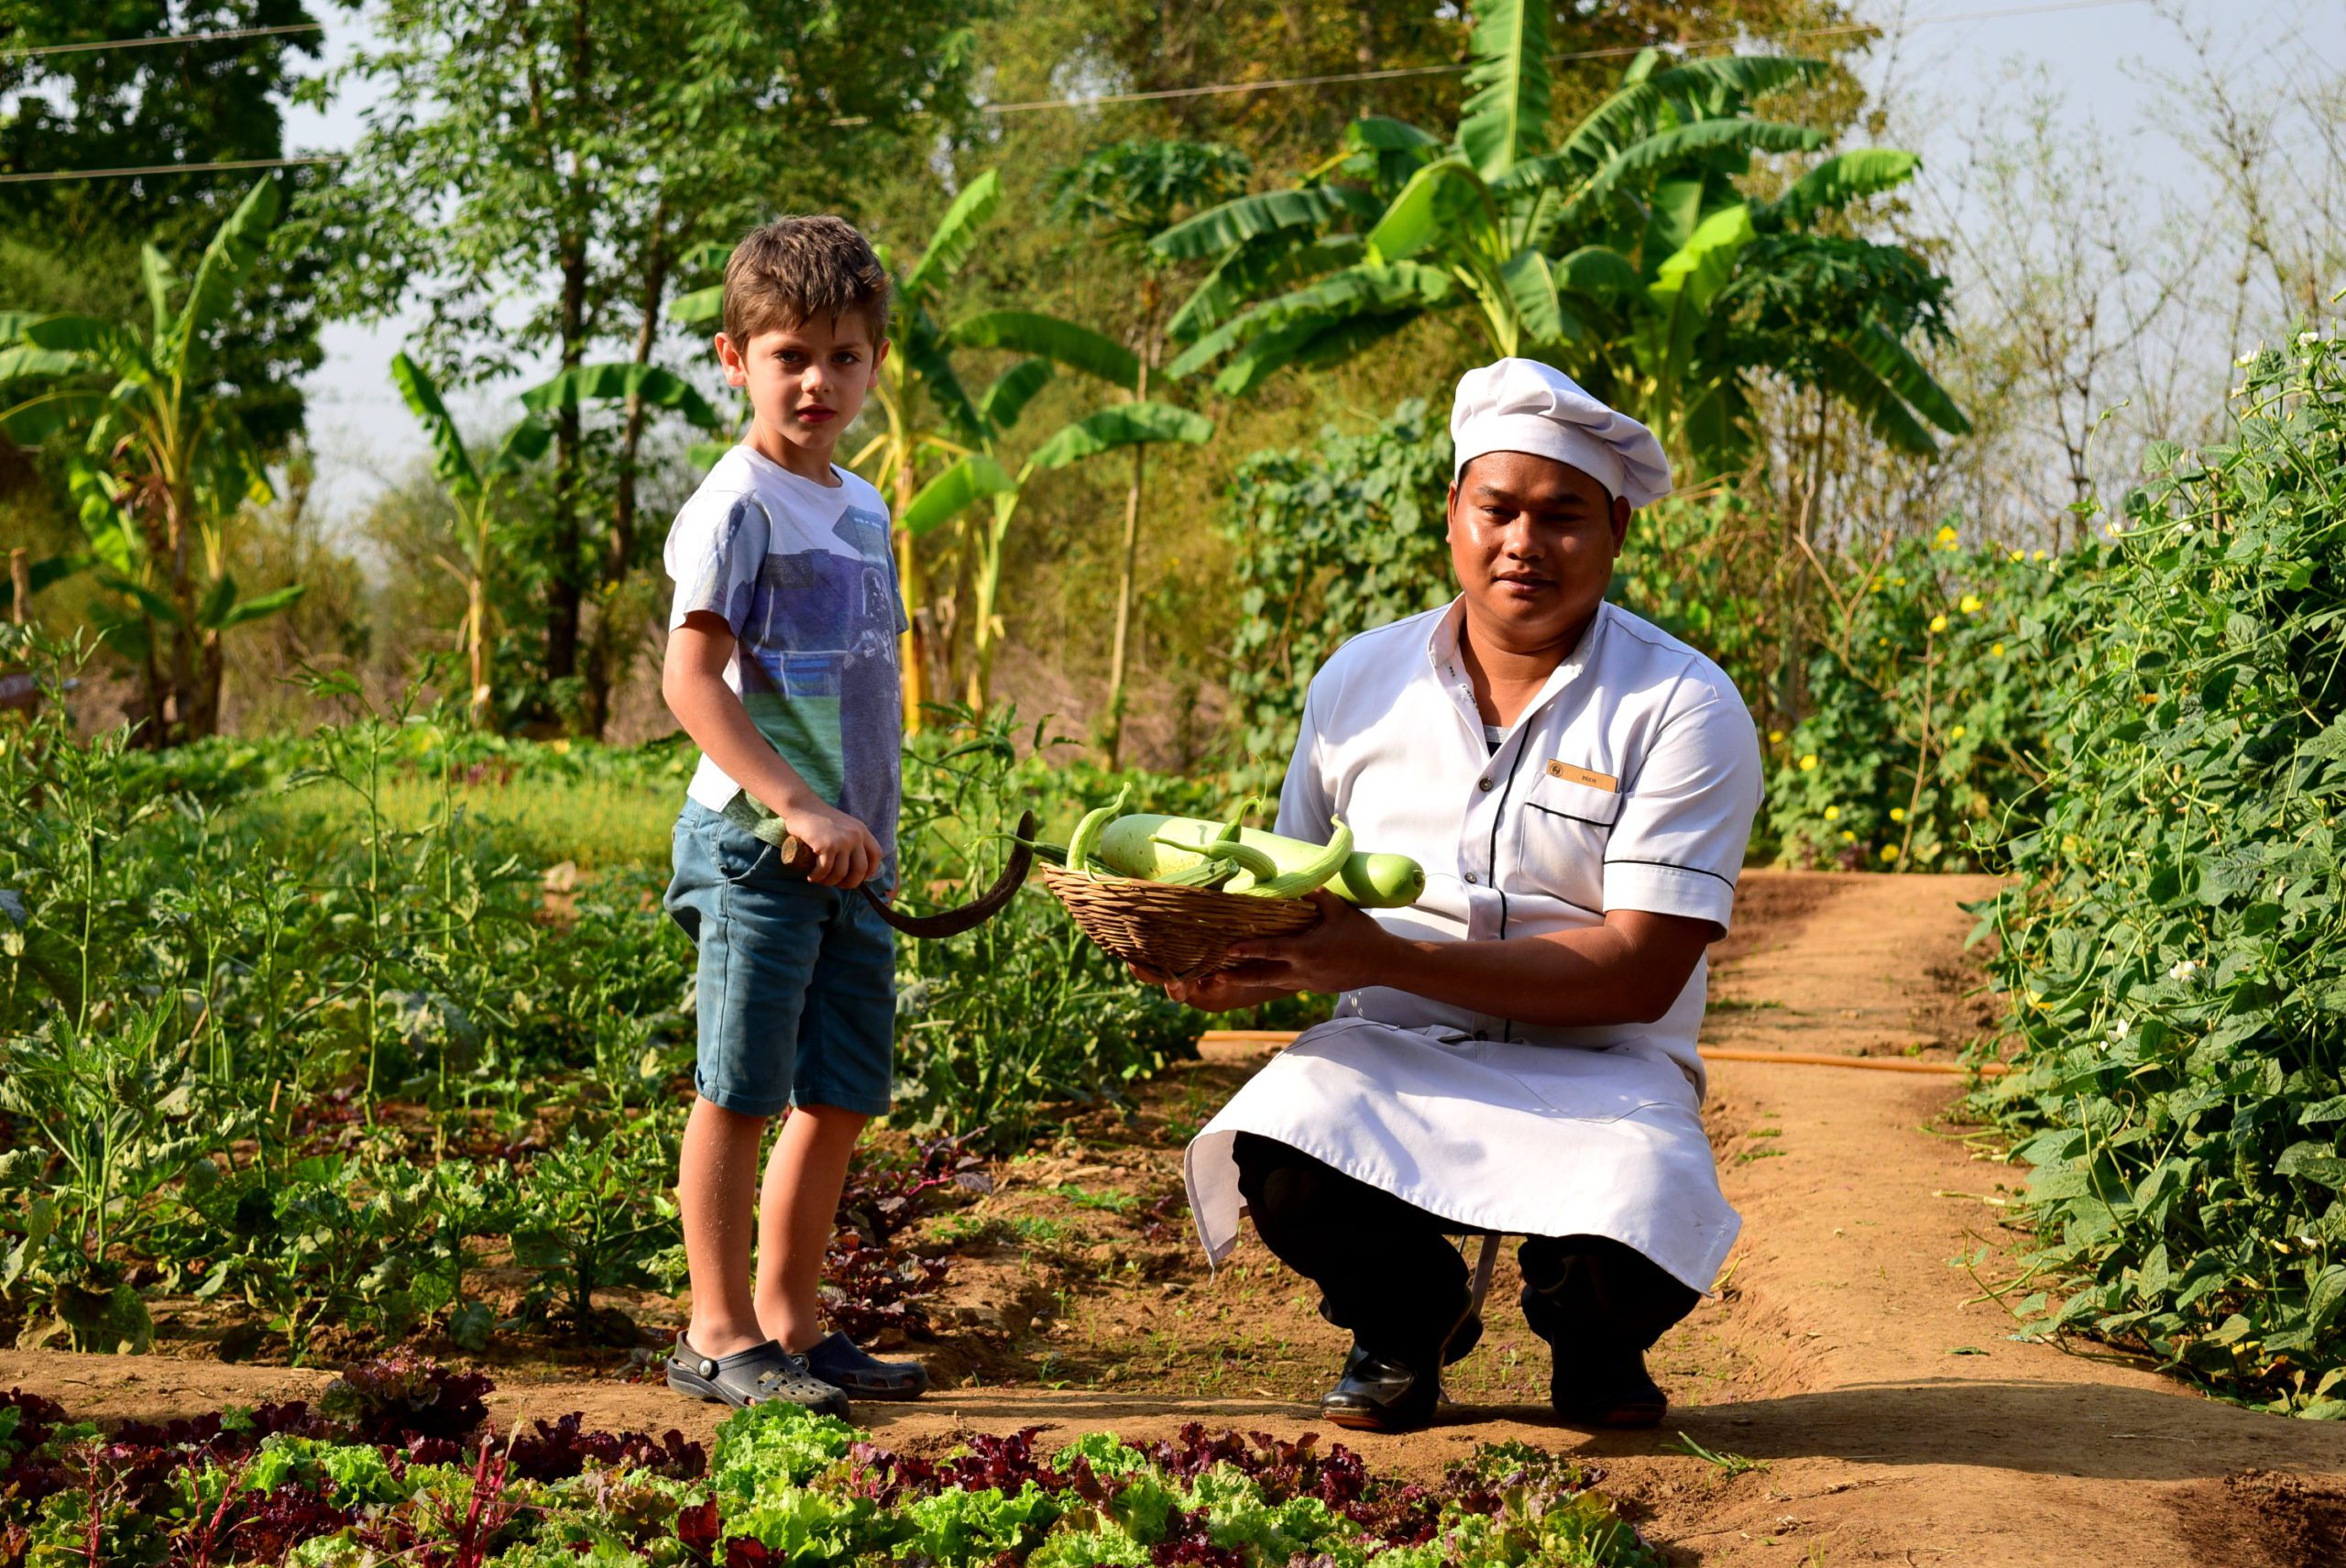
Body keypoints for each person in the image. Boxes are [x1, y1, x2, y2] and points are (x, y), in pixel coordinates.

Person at [1173, 358, 1763, 1434]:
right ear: (1453, 512)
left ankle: (1591, 1338)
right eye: (1496, 508)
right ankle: (1407, 1322)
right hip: (1396, 1056)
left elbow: (1638, 972)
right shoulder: (1359, 681)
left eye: (1563, 516)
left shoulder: (1682, 704)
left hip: (1598, 1068)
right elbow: (1293, 888)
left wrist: (1382, 958)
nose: (1524, 544)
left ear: (1617, 529)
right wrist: (1227, 962)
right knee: (1282, 1144)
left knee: (1645, 1211)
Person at [656, 215, 926, 1413]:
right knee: (741, 1085)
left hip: (848, 855)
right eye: (791, 356)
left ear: (875, 363)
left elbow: (867, 682)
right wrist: (797, 803)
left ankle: (793, 1328)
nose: (820, 381)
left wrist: (868, 827)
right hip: (760, 845)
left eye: (846, 356)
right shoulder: (736, 507)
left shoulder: (862, 507)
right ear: (736, 357)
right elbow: (691, 682)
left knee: (842, 1093)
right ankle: (717, 1333)